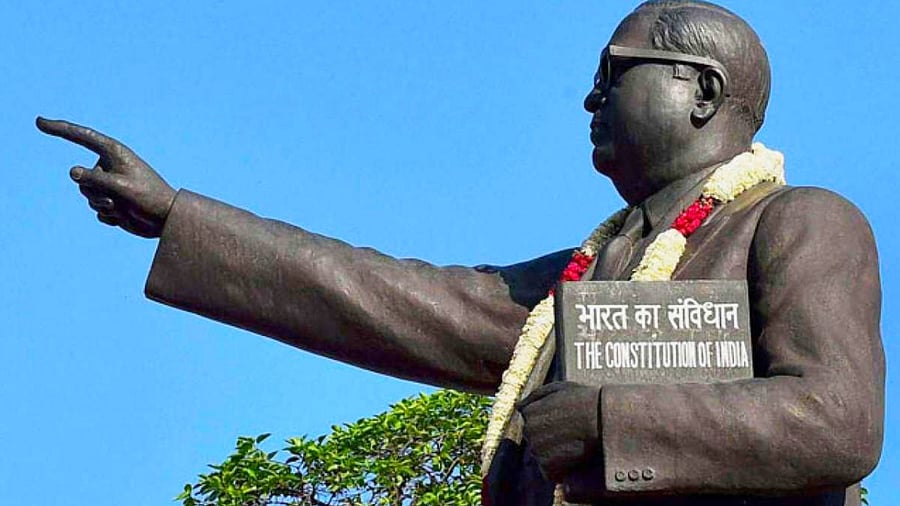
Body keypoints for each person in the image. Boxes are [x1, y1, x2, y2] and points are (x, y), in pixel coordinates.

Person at [37, 1, 883, 505]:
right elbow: (385, 298)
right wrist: (180, 218)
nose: (590, 97)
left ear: (701, 90)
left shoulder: (801, 222)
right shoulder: (581, 280)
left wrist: (608, 421)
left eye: (616, 72)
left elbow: (838, 421)